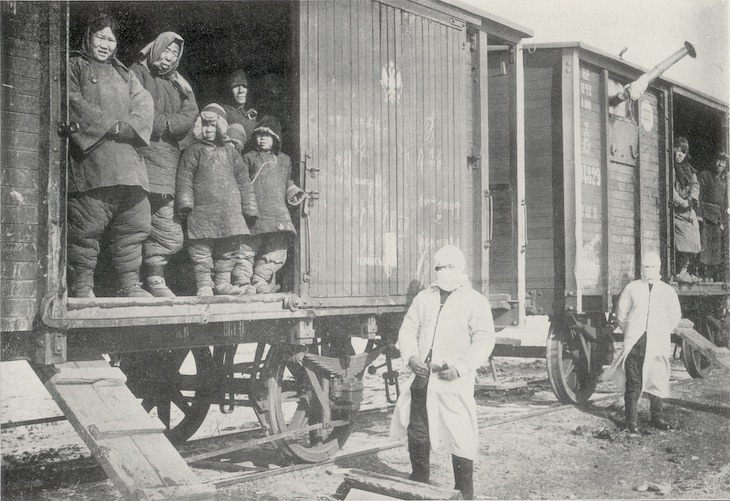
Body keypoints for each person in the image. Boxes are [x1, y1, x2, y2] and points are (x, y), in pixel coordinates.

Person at [389, 245, 496, 500]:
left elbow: (484, 340)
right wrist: (412, 357)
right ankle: (419, 485)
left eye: (449, 267)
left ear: (460, 269)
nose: (443, 272)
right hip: (422, 379)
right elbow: (407, 330)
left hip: (453, 381)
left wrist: (460, 368)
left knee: (460, 435)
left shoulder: (475, 301)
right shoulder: (424, 298)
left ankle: (464, 494)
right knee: (418, 432)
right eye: (438, 267)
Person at [67, 13, 154, 298]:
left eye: (111, 39)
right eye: (100, 37)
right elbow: (71, 100)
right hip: (93, 160)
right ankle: (83, 287)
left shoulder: (125, 73)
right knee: (86, 226)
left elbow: (144, 103)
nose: (105, 44)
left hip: (129, 163)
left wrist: (128, 127)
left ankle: (130, 285)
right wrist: (108, 125)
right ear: (88, 37)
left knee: (134, 224)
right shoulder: (74, 65)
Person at [131, 32, 199, 297]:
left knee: (165, 221)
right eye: (166, 50)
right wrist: (165, 124)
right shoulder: (137, 72)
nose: (169, 57)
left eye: (174, 53)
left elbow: (190, 116)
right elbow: (136, 109)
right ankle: (129, 282)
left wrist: (166, 122)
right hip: (140, 155)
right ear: (155, 48)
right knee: (135, 219)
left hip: (168, 160)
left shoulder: (178, 85)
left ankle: (155, 278)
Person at [176, 104, 258, 296]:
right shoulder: (193, 151)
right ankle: (204, 284)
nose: (209, 130)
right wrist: (185, 202)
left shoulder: (231, 153)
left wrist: (250, 207)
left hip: (229, 210)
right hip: (202, 210)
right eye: (205, 125)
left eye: (213, 126)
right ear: (199, 127)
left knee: (227, 249)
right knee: (201, 250)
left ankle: (222, 283)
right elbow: (184, 177)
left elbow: (244, 181)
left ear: (221, 127)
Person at [604, 252, 682, 434]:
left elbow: (674, 316)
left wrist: (662, 331)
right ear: (641, 269)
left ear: (659, 268)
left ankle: (657, 417)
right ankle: (631, 421)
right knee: (633, 382)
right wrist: (631, 331)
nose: (649, 270)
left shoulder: (667, 291)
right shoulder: (632, 288)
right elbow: (621, 315)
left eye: (653, 267)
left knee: (657, 377)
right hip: (635, 343)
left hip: (658, 342)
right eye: (646, 267)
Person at [233, 116, 305, 294]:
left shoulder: (284, 160)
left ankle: (260, 280)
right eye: (259, 135)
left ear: (276, 139)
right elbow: (241, 181)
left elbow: (286, 180)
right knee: (247, 248)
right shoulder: (248, 158)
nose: (263, 138)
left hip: (277, 212)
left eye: (268, 135)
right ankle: (242, 282)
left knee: (276, 249)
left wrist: (293, 190)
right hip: (255, 211)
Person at [672, 136, 701, 282]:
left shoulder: (689, 169)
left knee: (694, 231)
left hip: (688, 208)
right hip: (677, 210)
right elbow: (670, 189)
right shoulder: (671, 168)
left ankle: (685, 269)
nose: (680, 155)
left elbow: (695, 185)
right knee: (682, 237)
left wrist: (691, 199)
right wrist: (681, 202)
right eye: (677, 151)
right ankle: (679, 271)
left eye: (683, 152)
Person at [697, 152, 728, 282]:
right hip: (705, 215)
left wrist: (722, 220)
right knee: (704, 246)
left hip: (717, 217)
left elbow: (724, 202)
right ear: (713, 161)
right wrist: (699, 214)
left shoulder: (724, 180)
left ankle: (711, 275)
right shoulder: (705, 175)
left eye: (723, 162)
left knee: (715, 249)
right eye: (718, 160)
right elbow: (699, 196)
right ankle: (701, 275)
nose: (720, 164)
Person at [222, 69, 258, 143]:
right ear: (229, 89)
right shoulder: (226, 109)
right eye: (235, 86)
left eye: (244, 86)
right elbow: (250, 128)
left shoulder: (245, 110)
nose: (241, 90)